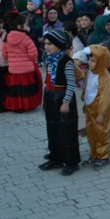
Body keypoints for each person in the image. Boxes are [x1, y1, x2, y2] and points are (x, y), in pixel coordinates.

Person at [39, 30, 81, 176]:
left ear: (59, 44)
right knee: (52, 128)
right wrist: (45, 99)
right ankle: (55, 157)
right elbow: (48, 80)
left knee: (66, 131)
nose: (47, 47)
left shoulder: (66, 62)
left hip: (62, 96)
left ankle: (71, 161)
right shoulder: (50, 59)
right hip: (51, 96)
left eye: (50, 44)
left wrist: (66, 102)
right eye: (45, 44)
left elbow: (70, 84)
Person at [81, 44, 110, 169]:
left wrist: (101, 113)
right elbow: (88, 88)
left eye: (93, 61)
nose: (89, 62)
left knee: (101, 133)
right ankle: (94, 154)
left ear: (101, 61)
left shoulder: (105, 77)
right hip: (90, 108)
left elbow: (105, 97)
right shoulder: (90, 72)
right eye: (89, 59)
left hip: (100, 111)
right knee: (91, 132)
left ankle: (103, 156)